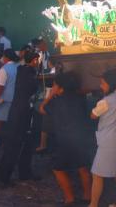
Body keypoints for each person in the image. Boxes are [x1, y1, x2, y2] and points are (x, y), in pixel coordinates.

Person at [39, 72, 92, 205]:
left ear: (61, 87)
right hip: (81, 137)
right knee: (83, 167)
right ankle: (87, 196)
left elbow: (42, 109)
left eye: (55, 85)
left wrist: (50, 95)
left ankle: (69, 198)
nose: (54, 86)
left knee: (58, 168)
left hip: (64, 139)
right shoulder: (80, 99)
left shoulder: (56, 101)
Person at [0, 51, 40, 187]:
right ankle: (1, 178)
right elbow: (30, 89)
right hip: (20, 113)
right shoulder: (27, 73)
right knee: (14, 145)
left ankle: (24, 172)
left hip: (21, 111)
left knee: (26, 144)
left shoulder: (22, 70)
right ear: (34, 60)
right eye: (37, 60)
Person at [89, 69, 116, 207]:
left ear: (110, 84)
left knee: (96, 174)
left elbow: (93, 115)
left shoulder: (105, 101)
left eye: (103, 83)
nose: (101, 86)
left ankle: (93, 204)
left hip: (108, 141)